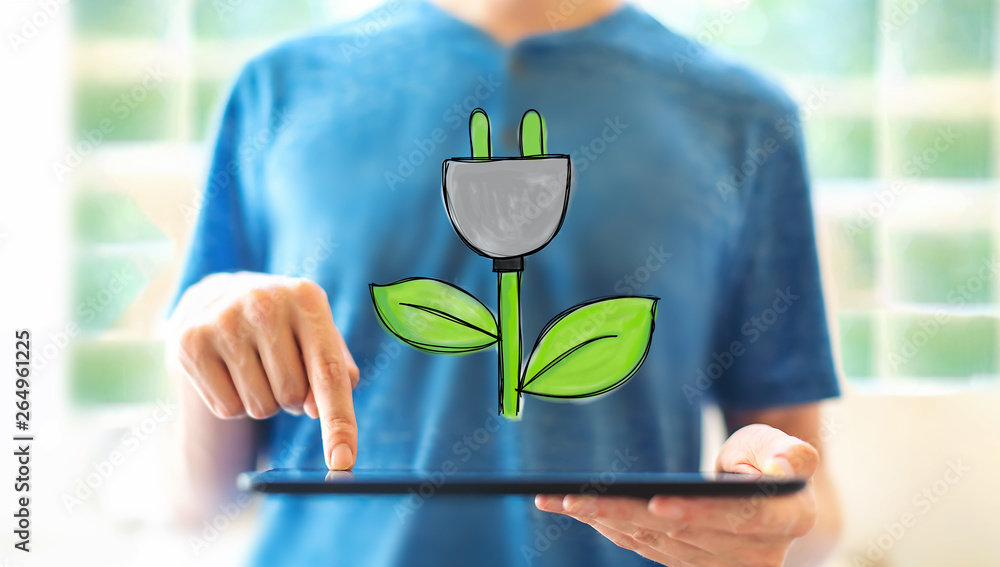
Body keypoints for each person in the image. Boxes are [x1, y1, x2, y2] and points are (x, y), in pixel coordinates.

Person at [167, 0, 842, 565]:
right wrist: (202, 325)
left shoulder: (744, 117)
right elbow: (202, 498)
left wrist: (775, 519)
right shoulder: (277, 89)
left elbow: (807, 506)